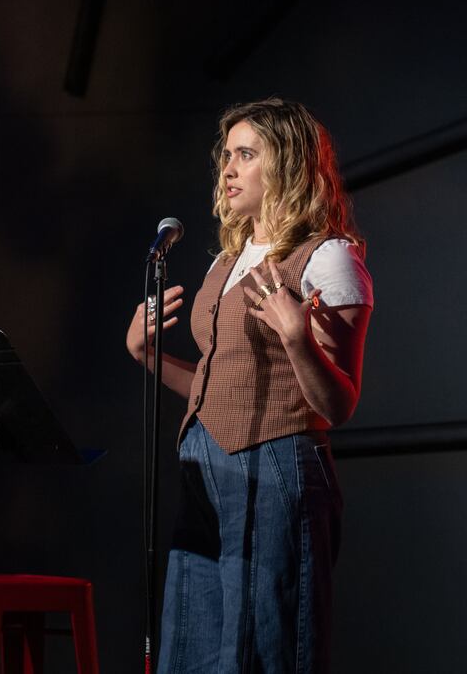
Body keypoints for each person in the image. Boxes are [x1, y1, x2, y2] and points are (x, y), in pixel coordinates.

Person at [126, 98, 373, 673]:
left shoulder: (329, 259)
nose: (228, 169)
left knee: (262, 652)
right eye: (226, 156)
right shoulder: (226, 261)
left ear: (285, 164)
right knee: (192, 652)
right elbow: (218, 388)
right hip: (205, 476)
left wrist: (298, 338)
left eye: (245, 155)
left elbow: (338, 403)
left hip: (276, 471)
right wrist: (146, 356)